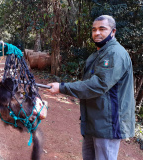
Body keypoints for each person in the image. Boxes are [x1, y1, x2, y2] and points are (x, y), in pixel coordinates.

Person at [47, 15, 135, 160]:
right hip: (94, 121)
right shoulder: (99, 54)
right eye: (94, 29)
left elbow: (99, 84)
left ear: (113, 32)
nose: (97, 33)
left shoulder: (114, 53)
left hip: (108, 125)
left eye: (102, 29)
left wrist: (62, 87)